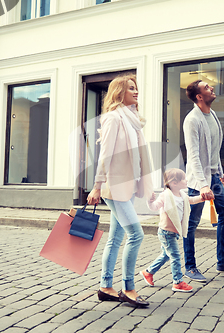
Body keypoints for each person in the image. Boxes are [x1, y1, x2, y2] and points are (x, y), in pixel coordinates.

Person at [87, 75, 153, 308]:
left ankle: (106, 287)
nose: (136, 92)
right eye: (131, 88)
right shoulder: (113, 119)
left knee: (115, 238)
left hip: (127, 187)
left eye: (137, 88)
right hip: (114, 187)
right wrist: (97, 186)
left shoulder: (133, 120)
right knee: (136, 235)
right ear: (119, 92)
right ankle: (129, 288)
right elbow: (106, 155)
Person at [182, 80, 224, 283]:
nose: (212, 88)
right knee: (191, 224)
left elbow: (213, 148)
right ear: (199, 96)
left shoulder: (213, 115)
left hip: (213, 176)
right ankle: (190, 267)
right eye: (207, 87)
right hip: (197, 180)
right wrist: (203, 185)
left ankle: (223, 262)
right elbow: (193, 156)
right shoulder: (192, 120)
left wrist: (218, 171)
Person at [140, 168, 207, 292]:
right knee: (175, 256)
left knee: (166, 255)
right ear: (174, 183)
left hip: (174, 232)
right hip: (166, 232)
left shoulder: (182, 194)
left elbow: (191, 200)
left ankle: (148, 272)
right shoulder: (165, 195)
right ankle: (177, 282)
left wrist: (202, 198)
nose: (186, 180)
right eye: (183, 179)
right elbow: (154, 207)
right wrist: (149, 201)